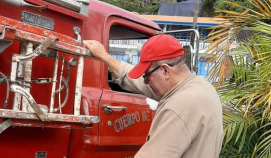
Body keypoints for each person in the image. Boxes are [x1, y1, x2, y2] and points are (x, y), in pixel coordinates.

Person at [83, 34, 223, 158]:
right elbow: (140, 82)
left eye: (147, 75)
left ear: (165, 70)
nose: (145, 81)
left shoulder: (179, 106)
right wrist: (105, 56)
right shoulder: (201, 87)